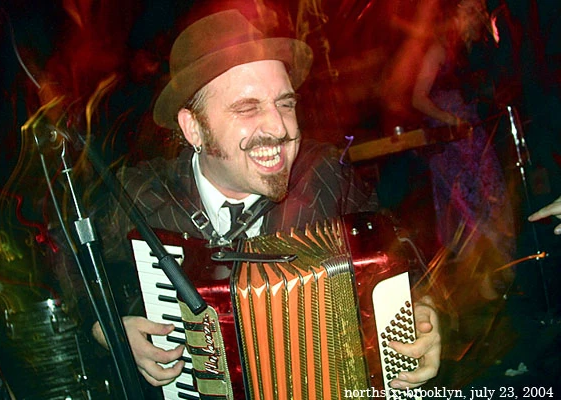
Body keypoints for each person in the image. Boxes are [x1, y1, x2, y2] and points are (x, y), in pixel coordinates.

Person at [82, 9, 441, 391]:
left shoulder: (325, 177)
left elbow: (402, 256)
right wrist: (105, 329)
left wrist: (423, 312)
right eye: (248, 108)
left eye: (285, 104)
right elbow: (66, 274)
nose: (280, 127)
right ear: (194, 128)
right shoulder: (140, 197)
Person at [410, 0, 515, 300]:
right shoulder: (437, 50)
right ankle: (483, 289)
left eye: (479, 9)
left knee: (494, 206)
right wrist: (451, 120)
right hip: (451, 146)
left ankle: (500, 283)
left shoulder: (472, 51)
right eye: (470, 9)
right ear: (453, 14)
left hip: (473, 140)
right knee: (470, 217)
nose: (477, 14)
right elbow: (418, 98)